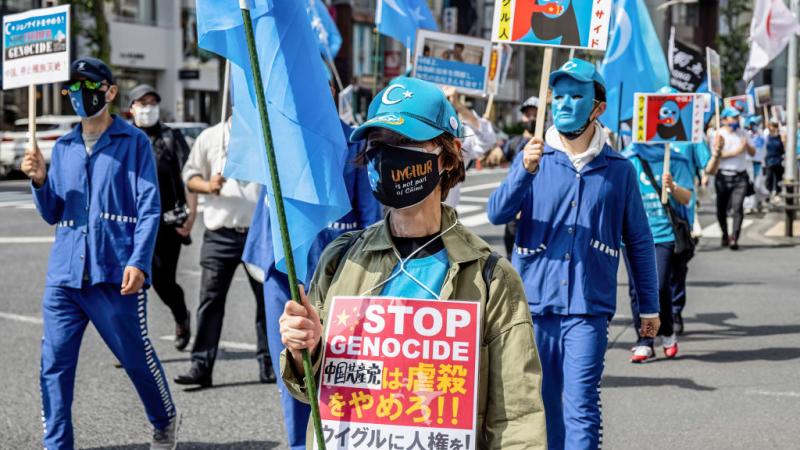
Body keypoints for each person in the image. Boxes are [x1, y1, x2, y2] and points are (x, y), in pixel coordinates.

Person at [279, 76, 546, 449]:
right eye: (379, 145)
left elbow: (517, 418)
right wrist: (303, 350)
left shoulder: (491, 279)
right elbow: (314, 391)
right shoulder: (339, 260)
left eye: (405, 142)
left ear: (448, 154)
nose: (388, 157)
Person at [486, 58, 659, 450]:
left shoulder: (619, 170)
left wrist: (648, 309)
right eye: (558, 96)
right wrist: (523, 171)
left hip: (588, 305)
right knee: (541, 404)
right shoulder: (534, 157)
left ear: (597, 107)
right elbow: (497, 212)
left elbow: (640, 241)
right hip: (533, 303)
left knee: (581, 403)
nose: (564, 104)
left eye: (576, 96)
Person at [22, 57, 179, 449]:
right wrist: (40, 181)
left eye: (88, 87)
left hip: (115, 273)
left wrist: (139, 261)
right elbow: (53, 212)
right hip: (65, 277)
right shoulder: (64, 146)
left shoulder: (134, 142)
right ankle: (57, 444)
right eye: (73, 88)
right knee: (54, 366)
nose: (80, 95)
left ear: (109, 92)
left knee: (135, 358)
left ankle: (164, 420)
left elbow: (149, 207)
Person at [243, 81, 383, 450]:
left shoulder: (353, 141)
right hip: (284, 277)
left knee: (337, 368)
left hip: (339, 275)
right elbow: (265, 211)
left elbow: (369, 216)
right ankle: (298, 444)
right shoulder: (275, 136)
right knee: (291, 366)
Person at [172, 115, 275, 387]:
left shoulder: (266, 134)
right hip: (220, 233)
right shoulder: (211, 136)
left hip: (258, 232)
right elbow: (190, 175)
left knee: (267, 300)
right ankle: (201, 366)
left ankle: (270, 363)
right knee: (210, 300)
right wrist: (207, 186)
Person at [129, 84, 197, 351]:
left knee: (162, 280)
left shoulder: (170, 136)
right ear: (131, 107)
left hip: (167, 222)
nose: (147, 108)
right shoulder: (124, 137)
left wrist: (190, 216)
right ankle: (131, 344)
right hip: (130, 223)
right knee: (129, 283)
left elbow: (188, 176)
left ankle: (181, 315)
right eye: (141, 103)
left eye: (152, 102)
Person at [622, 143, 693, 362]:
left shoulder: (675, 159)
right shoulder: (626, 160)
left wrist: (672, 186)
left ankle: (668, 330)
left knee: (660, 286)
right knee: (637, 290)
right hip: (632, 236)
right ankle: (645, 341)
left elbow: (687, 198)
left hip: (664, 234)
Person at [484, 96, 539, 257]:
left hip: (538, 213)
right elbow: (490, 159)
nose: (531, 118)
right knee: (512, 263)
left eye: (535, 114)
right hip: (514, 214)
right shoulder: (515, 142)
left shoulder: (550, 143)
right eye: (527, 114)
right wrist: (485, 130)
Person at [442, 87, 497, 206]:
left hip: (446, 215)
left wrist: (458, 105)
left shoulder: (462, 136)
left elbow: (488, 139)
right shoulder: (417, 132)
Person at [713, 107, 755, 250]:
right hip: (723, 177)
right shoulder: (719, 134)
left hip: (740, 177)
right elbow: (716, 156)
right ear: (724, 119)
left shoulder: (743, 133)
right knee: (721, 209)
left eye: (737, 117)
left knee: (738, 208)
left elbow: (753, 152)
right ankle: (725, 233)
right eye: (732, 117)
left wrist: (746, 146)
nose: (736, 120)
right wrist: (736, 151)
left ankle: (734, 237)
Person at [743, 115, 767, 214]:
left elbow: (763, 150)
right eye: (753, 124)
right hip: (748, 163)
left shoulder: (761, 136)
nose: (754, 126)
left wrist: (763, 161)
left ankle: (761, 200)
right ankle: (749, 205)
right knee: (749, 185)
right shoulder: (747, 135)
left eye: (756, 124)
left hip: (758, 163)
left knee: (758, 185)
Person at [764, 120, 786, 203]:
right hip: (769, 160)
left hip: (778, 160)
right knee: (769, 178)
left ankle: (777, 193)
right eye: (771, 126)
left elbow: (783, 149)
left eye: (775, 126)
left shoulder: (780, 137)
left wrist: (784, 141)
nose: (773, 128)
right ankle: (768, 193)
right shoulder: (766, 136)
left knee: (778, 178)